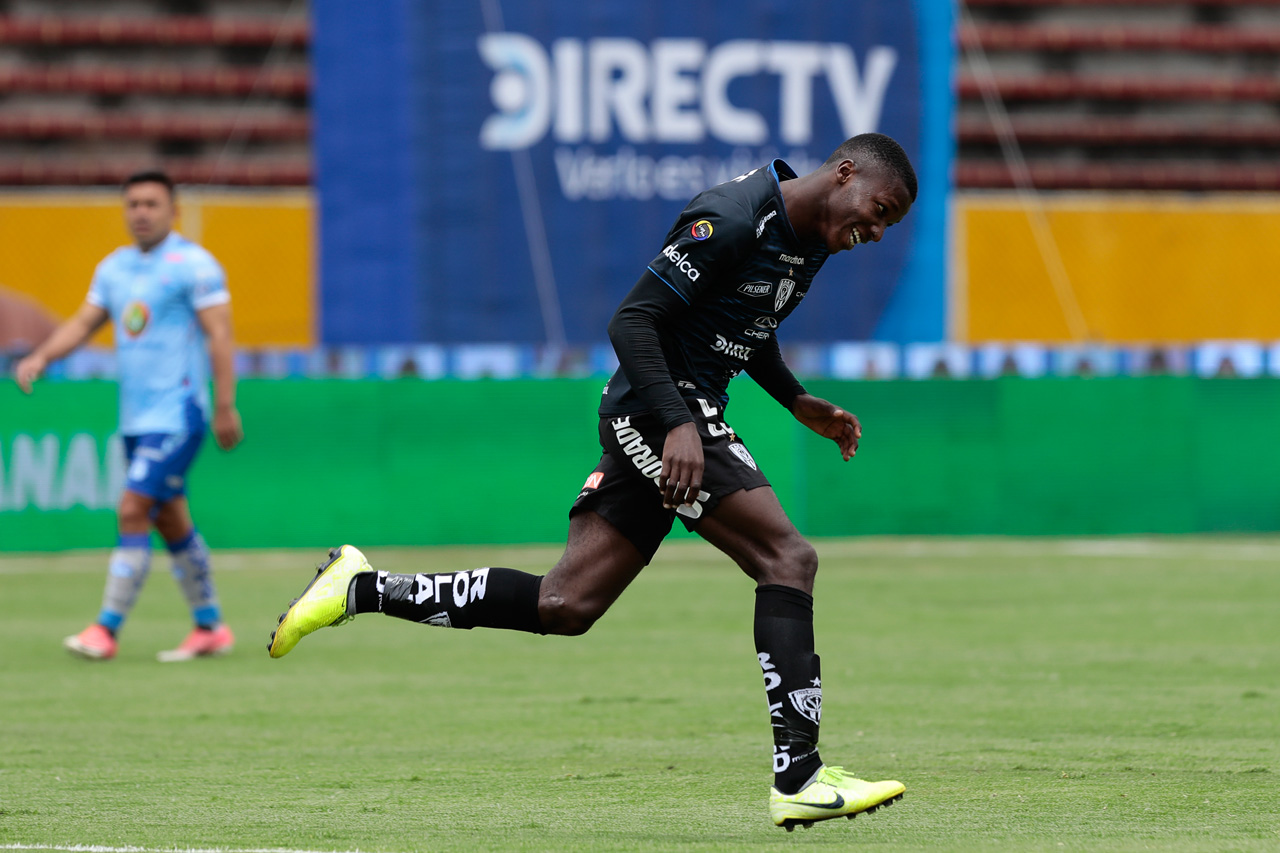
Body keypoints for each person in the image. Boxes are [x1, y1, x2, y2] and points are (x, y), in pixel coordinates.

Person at [268, 133, 916, 830]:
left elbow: (745, 322)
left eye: (887, 224)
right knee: (789, 558)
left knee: (565, 604)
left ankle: (358, 587)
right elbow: (633, 319)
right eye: (878, 211)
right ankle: (800, 773)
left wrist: (795, 399)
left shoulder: (815, 233)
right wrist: (675, 424)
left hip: (681, 412)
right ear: (845, 172)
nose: (875, 232)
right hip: (658, 407)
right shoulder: (730, 216)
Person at [14, 169, 244, 663]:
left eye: (151, 204)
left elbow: (220, 336)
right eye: (133, 204)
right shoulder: (114, 269)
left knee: (132, 508)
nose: (140, 213)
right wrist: (41, 357)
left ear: (173, 210)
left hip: (179, 413)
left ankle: (106, 630)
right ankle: (210, 626)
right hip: (136, 419)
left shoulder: (193, 265)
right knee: (170, 519)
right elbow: (82, 322)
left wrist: (225, 404)